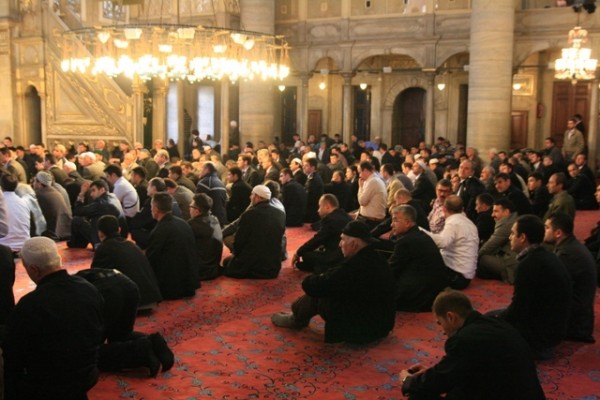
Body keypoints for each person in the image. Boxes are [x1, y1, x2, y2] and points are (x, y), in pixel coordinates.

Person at [3, 237, 104, 400]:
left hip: (49, 385)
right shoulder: (89, 288)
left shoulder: (30, 305)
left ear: (34, 269)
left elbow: (14, 355)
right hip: (87, 374)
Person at [399, 289, 546, 400]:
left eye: (440, 323)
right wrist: (430, 374)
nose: (442, 331)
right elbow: (456, 371)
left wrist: (408, 381)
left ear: (450, 317)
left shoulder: (465, 340)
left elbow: (441, 381)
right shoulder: (493, 323)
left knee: (418, 394)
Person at [271, 220, 396, 345]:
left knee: (321, 292)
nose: (340, 244)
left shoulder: (353, 267)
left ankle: (296, 318)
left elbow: (312, 286)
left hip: (362, 331)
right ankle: (297, 315)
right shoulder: (378, 258)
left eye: (342, 240)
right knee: (327, 285)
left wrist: (316, 278)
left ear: (354, 243)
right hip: (382, 326)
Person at [497, 214, 572, 359]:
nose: (509, 237)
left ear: (522, 237)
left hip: (539, 339)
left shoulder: (529, 265)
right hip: (553, 331)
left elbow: (519, 310)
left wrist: (496, 320)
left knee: (487, 323)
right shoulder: (548, 256)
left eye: (512, 233)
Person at [75, 268, 174, 377]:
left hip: (107, 292)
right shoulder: (73, 281)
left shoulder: (66, 291)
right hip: (127, 285)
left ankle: (143, 351)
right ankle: (154, 341)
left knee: (86, 355)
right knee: (122, 335)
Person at [91, 215, 162, 310]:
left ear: (100, 233)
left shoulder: (104, 248)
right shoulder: (131, 245)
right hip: (152, 298)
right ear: (119, 229)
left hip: (134, 303)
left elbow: (94, 275)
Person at [544, 213, 596, 343]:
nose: (544, 231)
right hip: (580, 316)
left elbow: (551, 289)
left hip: (575, 324)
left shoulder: (567, 254)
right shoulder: (572, 246)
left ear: (558, 233)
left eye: (547, 227)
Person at [389, 205, 449, 312]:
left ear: (407, 223)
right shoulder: (418, 234)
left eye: (395, 220)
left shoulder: (406, 241)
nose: (391, 224)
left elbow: (392, 269)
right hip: (434, 288)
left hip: (423, 294)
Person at [223, 185, 286, 279]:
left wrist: (236, 256)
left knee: (226, 262)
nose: (250, 197)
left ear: (258, 197)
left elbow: (240, 240)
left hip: (254, 265)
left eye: (252, 194)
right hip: (272, 265)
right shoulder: (280, 213)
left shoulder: (249, 214)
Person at [146, 192, 199, 300]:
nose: (150, 209)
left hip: (171, 288)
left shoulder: (159, 230)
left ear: (156, 209)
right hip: (190, 283)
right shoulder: (184, 223)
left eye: (151, 207)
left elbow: (151, 259)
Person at [424, 195, 479, 290]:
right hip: (464, 277)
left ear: (444, 209)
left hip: (456, 278)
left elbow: (442, 243)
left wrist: (421, 231)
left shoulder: (453, 222)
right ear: (462, 209)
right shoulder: (469, 223)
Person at [292, 194, 351, 274]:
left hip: (336, 257)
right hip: (347, 256)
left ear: (327, 207)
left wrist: (298, 253)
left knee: (306, 255)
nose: (318, 210)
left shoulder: (330, 219)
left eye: (320, 206)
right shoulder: (344, 215)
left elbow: (318, 239)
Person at [68, 179, 125, 250]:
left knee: (76, 220)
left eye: (93, 190)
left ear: (102, 190)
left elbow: (78, 211)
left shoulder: (100, 204)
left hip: (102, 241)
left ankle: (76, 244)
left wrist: (81, 194)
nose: (91, 194)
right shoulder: (114, 198)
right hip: (120, 238)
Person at [477, 197, 519, 283]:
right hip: (514, 260)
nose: (492, 215)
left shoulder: (506, 224)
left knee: (483, 259)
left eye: (496, 211)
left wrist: (473, 258)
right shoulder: (513, 219)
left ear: (506, 212)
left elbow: (490, 245)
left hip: (511, 265)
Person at [188, 193, 223, 281]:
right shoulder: (215, 219)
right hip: (214, 269)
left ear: (197, 211)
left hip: (200, 271)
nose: (189, 209)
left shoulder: (192, 225)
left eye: (190, 206)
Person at [33, 171, 72, 241]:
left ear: (39, 183)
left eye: (34, 181)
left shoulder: (39, 194)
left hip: (53, 234)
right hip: (66, 230)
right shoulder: (56, 192)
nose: (33, 183)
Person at [356, 160, 387, 229]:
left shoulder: (373, 181)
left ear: (365, 170)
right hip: (368, 218)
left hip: (371, 221)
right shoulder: (371, 180)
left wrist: (360, 187)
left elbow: (362, 201)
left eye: (360, 172)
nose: (359, 175)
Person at [196, 162, 228, 226]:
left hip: (210, 220)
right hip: (221, 218)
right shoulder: (220, 182)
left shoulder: (204, 182)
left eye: (201, 169)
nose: (199, 171)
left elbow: (198, 202)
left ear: (207, 169)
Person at [303, 157, 324, 223]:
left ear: (313, 167)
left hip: (312, 210)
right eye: (304, 165)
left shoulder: (314, 179)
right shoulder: (311, 177)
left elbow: (311, 196)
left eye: (306, 165)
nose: (304, 167)